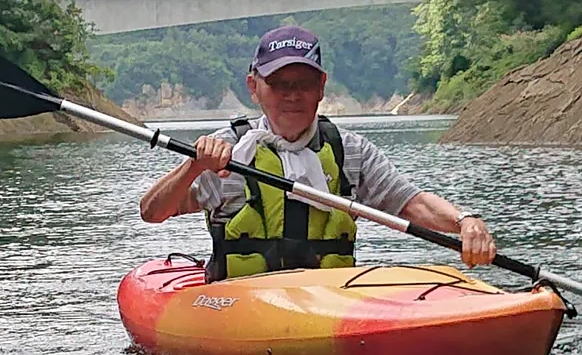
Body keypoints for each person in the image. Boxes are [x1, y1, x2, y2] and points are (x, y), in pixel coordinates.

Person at [138, 25, 497, 282]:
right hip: (242, 304)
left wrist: (465, 221)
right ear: (254, 87)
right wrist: (193, 166)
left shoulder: (350, 151)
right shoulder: (226, 153)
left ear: (322, 87)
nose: (292, 96)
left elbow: (411, 204)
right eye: (280, 84)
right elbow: (152, 212)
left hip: (327, 301)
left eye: (304, 84)